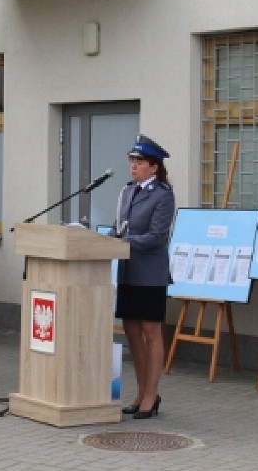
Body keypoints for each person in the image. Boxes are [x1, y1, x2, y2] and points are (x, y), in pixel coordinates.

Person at [114, 134, 175, 419]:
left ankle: (152, 394)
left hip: (150, 273)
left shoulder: (163, 195)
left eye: (139, 161)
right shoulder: (128, 191)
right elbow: (122, 228)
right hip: (128, 271)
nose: (133, 166)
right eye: (132, 161)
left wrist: (122, 242)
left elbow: (156, 237)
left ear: (154, 166)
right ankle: (140, 392)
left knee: (151, 334)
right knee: (133, 334)